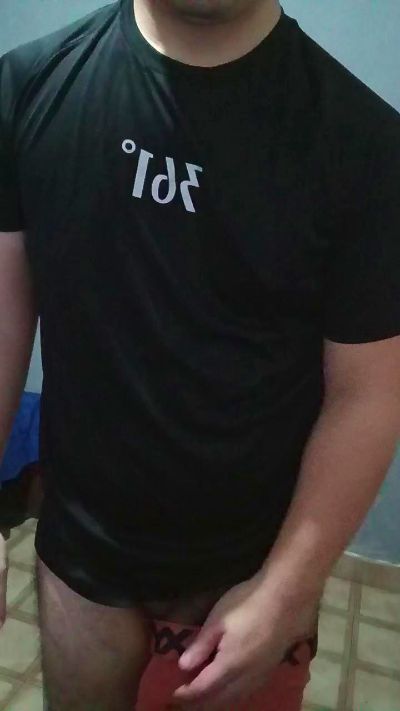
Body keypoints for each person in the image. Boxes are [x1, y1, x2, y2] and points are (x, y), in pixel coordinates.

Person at [0, 0, 400, 708]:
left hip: (244, 581)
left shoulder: (367, 145)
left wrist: (286, 591)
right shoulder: (28, 86)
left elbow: (367, 391)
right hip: (77, 562)